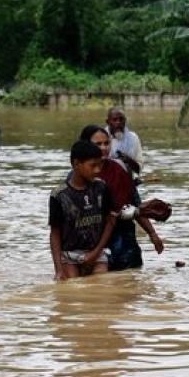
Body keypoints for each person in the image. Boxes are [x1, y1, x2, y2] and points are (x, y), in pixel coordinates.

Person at [80, 125, 164, 270]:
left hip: (125, 246)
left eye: (106, 143)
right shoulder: (79, 175)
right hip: (94, 247)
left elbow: (135, 204)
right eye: (98, 144)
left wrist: (153, 234)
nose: (104, 148)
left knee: (130, 284)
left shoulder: (120, 168)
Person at [49, 140, 117, 280]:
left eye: (100, 165)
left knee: (101, 286)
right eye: (92, 166)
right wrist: (58, 270)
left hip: (97, 253)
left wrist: (95, 253)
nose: (98, 170)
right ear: (76, 164)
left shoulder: (101, 188)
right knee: (73, 289)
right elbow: (55, 233)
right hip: (70, 256)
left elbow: (110, 221)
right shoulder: (59, 195)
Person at [105, 107, 143, 175]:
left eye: (121, 119)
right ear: (108, 122)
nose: (118, 122)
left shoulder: (133, 138)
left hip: (127, 178)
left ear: (125, 121)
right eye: (114, 120)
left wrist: (128, 160)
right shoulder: (101, 138)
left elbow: (138, 169)